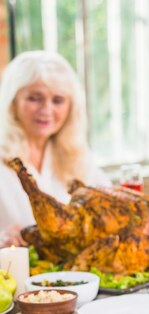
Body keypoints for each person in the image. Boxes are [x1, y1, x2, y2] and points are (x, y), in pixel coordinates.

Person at [0, 50, 110, 248]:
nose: (46, 110)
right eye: (34, 98)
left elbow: (108, 207)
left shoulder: (78, 156)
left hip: (75, 277)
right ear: (13, 102)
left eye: (57, 100)